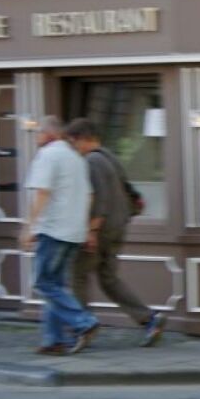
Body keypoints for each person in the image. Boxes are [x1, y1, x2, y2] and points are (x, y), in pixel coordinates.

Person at [64, 118, 166, 347]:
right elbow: (129, 192)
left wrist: (91, 231)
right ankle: (149, 318)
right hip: (118, 227)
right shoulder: (110, 157)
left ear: (83, 139)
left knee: (76, 275)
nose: (72, 147)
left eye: (72, 142)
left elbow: (98, 199)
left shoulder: (91, 161)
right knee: (108, 279)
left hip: (101, 231)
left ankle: (82, 326)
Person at [19, 116, 100, 355]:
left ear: (49, 134)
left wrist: (30, 226)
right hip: (73, 232)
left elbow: (43, 192)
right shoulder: (77, 159)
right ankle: (53, 340)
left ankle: (84, 322)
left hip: (54, 230)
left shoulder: (49, 155)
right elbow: (89, 196)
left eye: (38, 133)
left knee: (43, 283)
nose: (36, 138)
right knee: (56, 286)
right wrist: (85, 228)